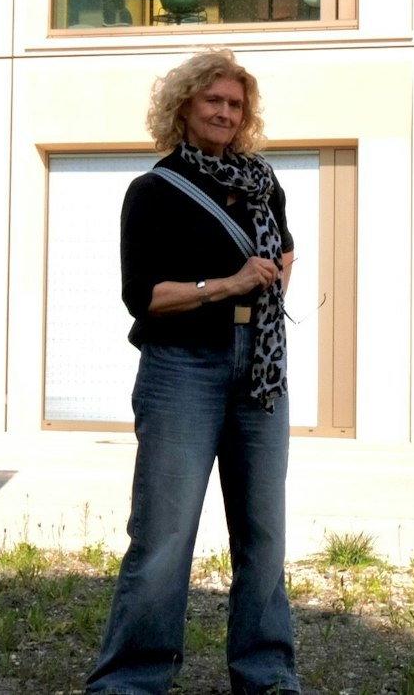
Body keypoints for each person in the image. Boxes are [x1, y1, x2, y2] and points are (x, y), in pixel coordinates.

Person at [87, 49, 299, 695]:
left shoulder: (263, 182)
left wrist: (267, 288)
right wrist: (228, 285)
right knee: (164, 535)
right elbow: (145, 296)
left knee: (263, 537)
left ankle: (266, 677)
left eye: (236, 104)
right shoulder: (154, 191)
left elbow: (284, 252)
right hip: (183, 367)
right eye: (214, 101)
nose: (226, 113)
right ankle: (130, 681)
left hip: (259, 373)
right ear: (184, 106)